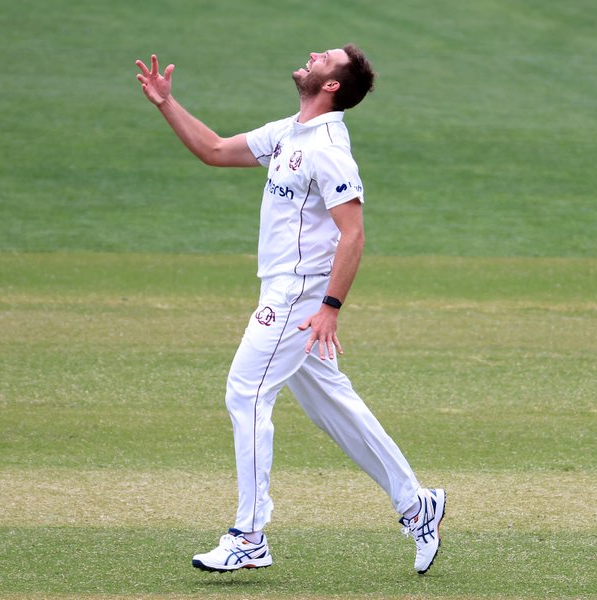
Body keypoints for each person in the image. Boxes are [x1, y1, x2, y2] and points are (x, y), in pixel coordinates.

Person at [135, 45, 445, 575]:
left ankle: (249, 535)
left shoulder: (328, 148)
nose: (311, 55)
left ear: (331, 87)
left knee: (246, 392)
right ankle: (418, 504)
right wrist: (167, 104)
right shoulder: (289, 132)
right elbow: (212, 149)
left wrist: (329, 308)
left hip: (298, 298)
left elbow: (354, 233)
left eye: (323, 57)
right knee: (335, 408)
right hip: (281, 290)